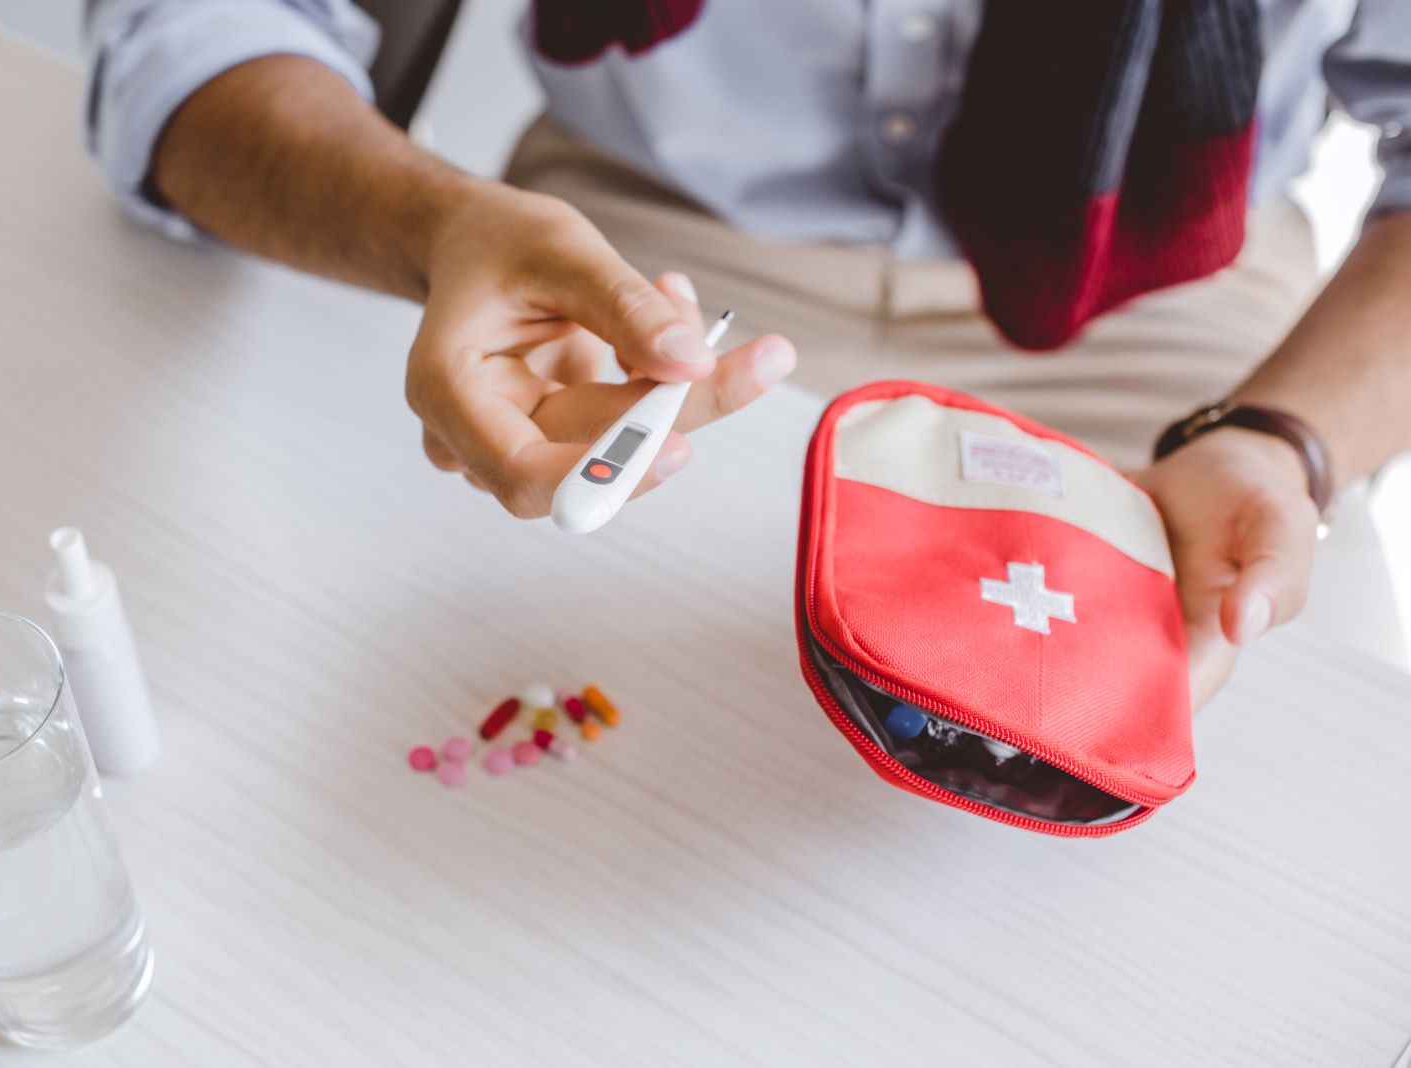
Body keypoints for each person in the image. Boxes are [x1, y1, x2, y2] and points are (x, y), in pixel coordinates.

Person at [82, 0, 1411, 707]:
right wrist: (433, 229)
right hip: (635, 256)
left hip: (1179, 287)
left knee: (1262, 765)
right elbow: (183, 26)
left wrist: (1289, 440)